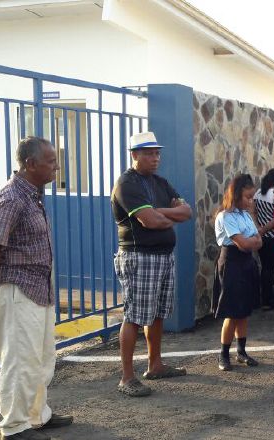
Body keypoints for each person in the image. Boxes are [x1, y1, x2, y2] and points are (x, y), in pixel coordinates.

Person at [0, 137, 73, 440]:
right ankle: (15, 426)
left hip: (36, 290)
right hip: (18, 290)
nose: (56, 166)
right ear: (31, 164)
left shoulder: (32, 195)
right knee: (20, 360)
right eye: (51, 161)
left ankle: (36, 416)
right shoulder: (12, 198)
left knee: (41, 358)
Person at [110, 132, 193, 397]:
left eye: (157, 153)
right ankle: (126, 377)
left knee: (157, 313)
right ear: (134, 154)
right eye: (148, 153)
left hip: (162, 255)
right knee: (134, 315)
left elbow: (186, 212)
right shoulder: (126, 184)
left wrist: (160, 211)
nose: (155, 158)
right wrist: (164, 215)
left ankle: (155, 364)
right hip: (139, 256)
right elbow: (150, 221)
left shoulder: (160, 182)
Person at [213, 174, 263, 371]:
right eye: (247, 197)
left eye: (252, 197)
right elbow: (242, 244)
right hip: (232, 263)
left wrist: (251, 241)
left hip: (246, 263)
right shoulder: (225, 216)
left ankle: (241, 351)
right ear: (236, 195)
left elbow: (259, 240)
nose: (250, 202)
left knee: (244, 311)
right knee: (232, 312)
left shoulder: (245, 216)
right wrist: (251, 241)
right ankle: (223, 355)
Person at [254, 168, 274, 310]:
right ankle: (272, 299)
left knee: (265, 268)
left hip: (261, 237)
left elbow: (252, 211)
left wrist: (258, 229)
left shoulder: (258, 193)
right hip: (273, 236)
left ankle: (264, 299)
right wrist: (265, 229)